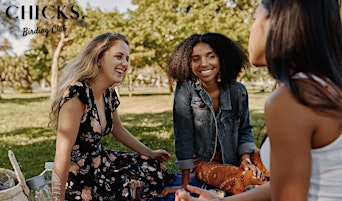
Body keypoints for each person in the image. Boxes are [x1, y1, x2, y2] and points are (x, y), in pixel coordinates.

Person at [175, 0, 342, 200]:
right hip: (208, 163)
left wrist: (245, 157)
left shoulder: (290, 99)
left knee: (253, 174)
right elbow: (283, 184)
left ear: (274, 23)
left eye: (255, 18)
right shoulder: (325, 86)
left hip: (238, 160)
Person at [49, 32, 174, 201]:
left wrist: (150, 153)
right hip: (80, 178)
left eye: (127, 58)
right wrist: (57, 199)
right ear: (99, 58)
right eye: (118, 56)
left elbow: (118, 130)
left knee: (154, 168)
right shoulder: (77, 93)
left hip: (102, 162)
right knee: (132, 188)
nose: (125, 63)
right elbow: (62, 152)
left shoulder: (108, 93)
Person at [167, 32, 269, 196]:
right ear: (188, 64)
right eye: (196, 59)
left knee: (277, 165)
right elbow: (183, 137)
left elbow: (245, 130)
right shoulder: (185, 90)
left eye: (211, 56)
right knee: (248, 180)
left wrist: (246, 159)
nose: (204, 64)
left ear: (221, 58)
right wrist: (184, 185)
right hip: (205, 163)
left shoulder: (238, 91)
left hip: (238, 156)